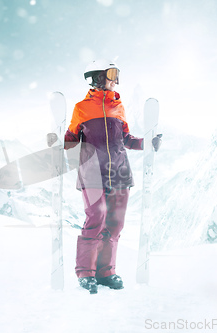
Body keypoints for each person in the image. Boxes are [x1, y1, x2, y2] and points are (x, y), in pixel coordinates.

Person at [58, 59, 162, 294]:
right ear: (96, 78)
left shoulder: (118, 107)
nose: (116, 79)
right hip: (92, 172)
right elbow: (71, 139)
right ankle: (86, 273)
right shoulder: (81, 108)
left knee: (115, 223)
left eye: (117, 74)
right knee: (97, 217)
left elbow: (126, 139)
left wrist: (147, 144)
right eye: (111, 74)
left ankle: (106, 272)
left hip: (119, 172)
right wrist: (57, 141)